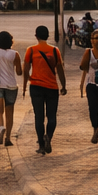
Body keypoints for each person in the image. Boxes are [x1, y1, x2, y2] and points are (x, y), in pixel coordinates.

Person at [22, 25, 67, 154]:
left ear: (36, 36)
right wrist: (63, 86)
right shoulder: (55, 51)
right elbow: (60, 70)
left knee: (39, 117)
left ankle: (41, 146)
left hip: (36, 87)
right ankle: (48, 137)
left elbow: (26, 70)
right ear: (48, 36)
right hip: (52, 87)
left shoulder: (31, 50)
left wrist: (24, 86)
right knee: (52, 116)